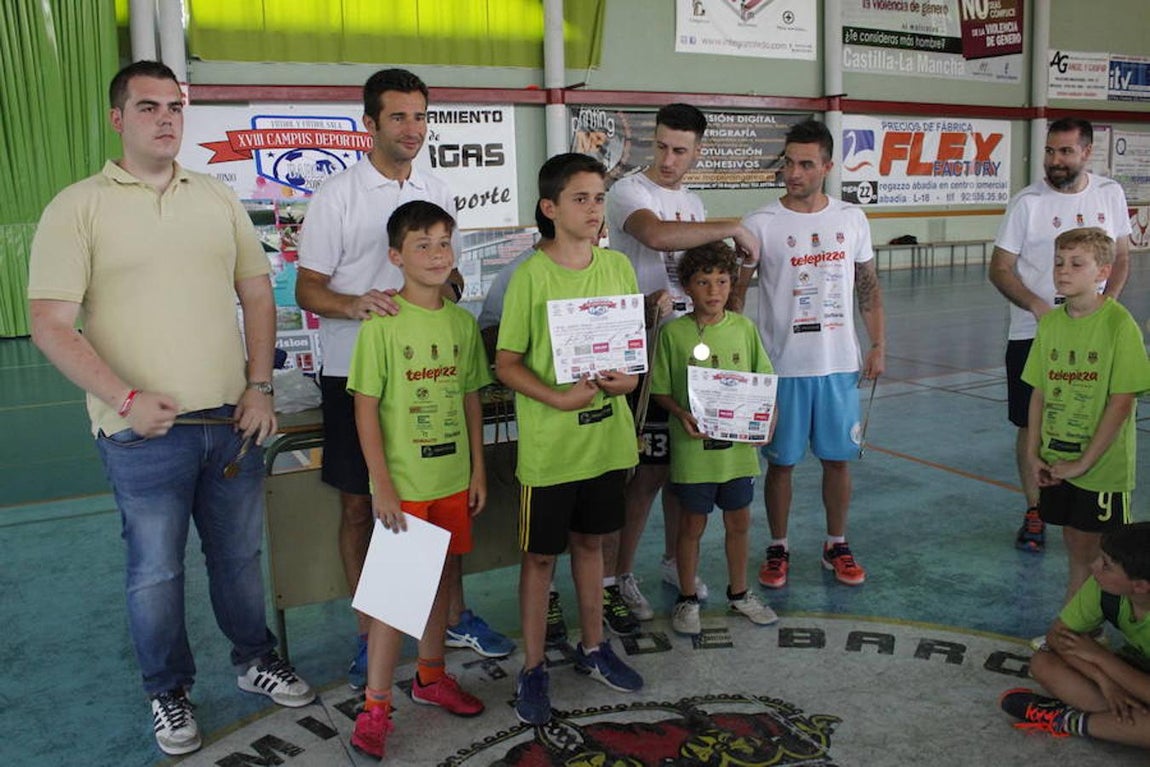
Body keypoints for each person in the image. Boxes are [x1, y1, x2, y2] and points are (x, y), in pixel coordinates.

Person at [27, 61, 314, 757]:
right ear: (116, 118)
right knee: (155, 569)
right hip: (139, 434)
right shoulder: (78, 206)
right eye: (148, 106)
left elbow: (255, 295)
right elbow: (50, 322)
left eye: (175, 107)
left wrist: (260, 386)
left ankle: (254, 659)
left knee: (240, 558)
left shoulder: (216, 198)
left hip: (231, 425)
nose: (166, 118)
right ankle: (168, 689)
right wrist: (125, 399)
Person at [296, 68, 512, 685]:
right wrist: (356, 303)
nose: (412, 128)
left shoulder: (437, 187)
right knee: (363, 506)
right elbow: (310, 287)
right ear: (370, 124)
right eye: (398, 117)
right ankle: (371, 633)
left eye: (420, 116)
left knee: (442, 502)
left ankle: (453, 615)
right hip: (355, 371)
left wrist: (449, 283)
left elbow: (448, 275)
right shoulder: (339, 195)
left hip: (433, 376)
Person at [495, 153, 645, 726]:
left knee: (592, 546)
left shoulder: (618, 269)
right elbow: (506, 363)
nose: (592, 209)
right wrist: (558, 399)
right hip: (551, 450)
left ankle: (593, 646)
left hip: (604, 442)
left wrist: (627, 381)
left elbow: (632, 361)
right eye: (579, 199)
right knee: (538, 559)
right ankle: (533, 668)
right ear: (550, 207)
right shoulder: (529, 276)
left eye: (599, 198)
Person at [605, 103, 761, 624]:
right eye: (662, 146)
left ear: (696, 152)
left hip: (692, 355)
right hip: (644, 352)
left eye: (680, 150)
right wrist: (736, 226)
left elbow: (706, 271)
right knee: (644, 475)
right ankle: (618, 574)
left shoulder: (694, 202)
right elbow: (655, 236)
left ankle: (675, 561)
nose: (668, 159)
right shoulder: (631, 190)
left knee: (682, 471)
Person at [346, 201, 489, 758]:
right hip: (404, 486)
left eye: (443, 243)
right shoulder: (382, 325)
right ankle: (376, 706)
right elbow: (365, 410)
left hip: (452, 478)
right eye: (422, 244)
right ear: (395, 256)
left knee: (441, 580)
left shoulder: (459, 322)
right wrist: (381, 485)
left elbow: (472, 397)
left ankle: (431, 677)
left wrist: (478, 466)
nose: (435, 254)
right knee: (395, 598)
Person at [742, 118, 885, 589]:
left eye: (805, 164)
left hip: (838, 365)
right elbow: (736, 296)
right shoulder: (759, 223)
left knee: (837, 460)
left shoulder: (851, 218)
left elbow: (868, 286)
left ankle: (835, 542)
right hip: (781, 367)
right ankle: (778, 546)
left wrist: (878, 343)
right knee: (780, 463)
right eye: (788, 162)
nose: (794, 172)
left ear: (826, 165)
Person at [989, 118, 1132, 555]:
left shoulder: (1109, 194)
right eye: (1050, 151)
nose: (1055, 160)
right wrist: (1039, 309)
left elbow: (1122, 255)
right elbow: (999, 268)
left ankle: (1089, 505)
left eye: (1065, 152)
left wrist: (1107, 307)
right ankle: (1035, 508)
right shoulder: (1028, 202)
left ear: (1087, 152)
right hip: (1035, 333)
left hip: (1095, 332)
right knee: (1030, 422)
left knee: (1095, 418)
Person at [1021, 228, 1150, 646]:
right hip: (1058, 462)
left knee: (1110, 560)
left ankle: (1106, 637)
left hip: (1101, 469)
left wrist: (1085, 462)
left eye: (1077, 264)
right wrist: (1033, 450)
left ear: (1103, 272)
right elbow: (1039, 391)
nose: (1063, 271)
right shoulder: (1051, 323)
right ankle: (1077, 630)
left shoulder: (1118, 324)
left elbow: (1122, 401)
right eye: (1059, 261)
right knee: (1077, 548)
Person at [649, 242, 778, 635]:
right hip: (694, 454)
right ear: (687, 286)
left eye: (722, 281)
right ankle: (687, 598)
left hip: (737, 455)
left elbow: (764, 381)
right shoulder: (674, 334)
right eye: (703, 282)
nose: (714, 290)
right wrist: (680, 413)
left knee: (739, 522)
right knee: (692, 525)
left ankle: (739, 593)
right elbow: (658, 389)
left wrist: (768, 421)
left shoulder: (744, 329)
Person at [999, 521, 1150, 749]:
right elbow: (1057, 637)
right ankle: (1124, 725)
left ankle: (1069, 720)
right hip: (1132, 675)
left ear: (1140, 586)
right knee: (1044, 662)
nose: (1094, 566)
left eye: (1106, 565)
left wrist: (1101, 657)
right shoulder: (1103, 588)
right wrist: (1105, 680)